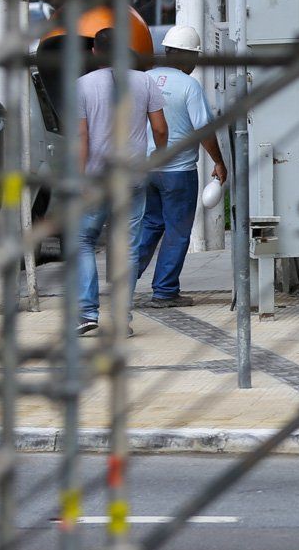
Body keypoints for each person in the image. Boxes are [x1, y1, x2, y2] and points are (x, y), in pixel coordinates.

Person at [75, 27, 166, 337]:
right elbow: (160, 128)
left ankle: (87, 312)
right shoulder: (145, 81)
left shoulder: (82, 86)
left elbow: (81, 136)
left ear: (95, 52)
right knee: (128, 248)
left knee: (83, 240)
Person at [131, 25, 228, 307]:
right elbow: (204, 130)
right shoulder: (189, 86)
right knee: (177, 231)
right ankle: (164, 291)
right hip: (178, 172)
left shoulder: (143, 79)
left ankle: (124, 282)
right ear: (184, 56)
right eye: (194, 56)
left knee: (150, 224)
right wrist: (219, 162)